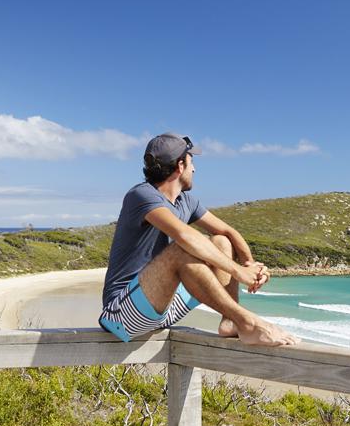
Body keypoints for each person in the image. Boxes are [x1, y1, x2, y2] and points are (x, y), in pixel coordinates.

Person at [99, 132, 299, 347]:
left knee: (221, 241)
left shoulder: (186, 201)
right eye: (191, 162)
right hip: (121, 313)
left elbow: (228, 232)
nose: (195, 169)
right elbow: (184, 236)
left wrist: (251, 265)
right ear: (180, 166)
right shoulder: (141, 195)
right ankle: (248, 323)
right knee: (181, 251)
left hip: (164, 309)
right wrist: (238, 271)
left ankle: (231, 321)